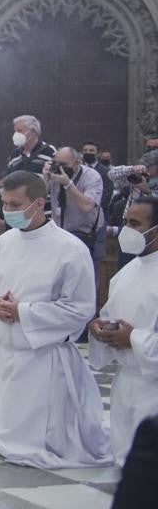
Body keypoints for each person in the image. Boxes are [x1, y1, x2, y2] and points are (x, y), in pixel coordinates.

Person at [0, 171, 112, 469]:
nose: (8, 211)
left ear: (39, 203)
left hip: (45, 358)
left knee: (40, 439)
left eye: (15, 204)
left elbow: (80, 308)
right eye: (5, 204)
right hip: (7, 355)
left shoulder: (70, 249)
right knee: (1, 435)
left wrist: (22, 312)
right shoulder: (3, 243)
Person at [88, 196, 158, 462]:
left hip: (154, 386)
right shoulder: (125, 274)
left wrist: (133, 338)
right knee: (125, 464)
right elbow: (109, 316)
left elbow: (132, 334)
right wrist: (100, 329)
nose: (126, 230)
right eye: (125, 222)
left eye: (135, 223)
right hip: (126, 381)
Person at [46, 147, 105, 281]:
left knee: (86, 279)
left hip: (86, 234)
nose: (59, 169)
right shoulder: (53, 174)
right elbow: (38, 199)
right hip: (60, 234)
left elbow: (87, 206)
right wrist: (45, 179)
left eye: (64, 165)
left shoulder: (91, 176)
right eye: (57, 164)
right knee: (61, 278)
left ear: (77, 164)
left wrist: (68, 184)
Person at [82, 140, 114, 208]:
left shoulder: (106, 172)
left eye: (91, 151)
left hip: (98, 212)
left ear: (98, 154)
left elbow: (106, 195)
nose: (88, 152)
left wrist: (90, 206)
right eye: (85, 150)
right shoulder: (78, 169)